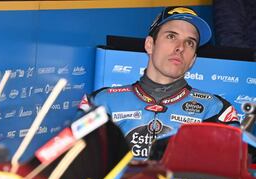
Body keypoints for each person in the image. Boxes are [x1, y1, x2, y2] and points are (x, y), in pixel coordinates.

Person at [79, 6, 240, 160]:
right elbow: (76, 168)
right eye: (171, 36)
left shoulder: (215, 111)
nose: (180, 48)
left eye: (190, 42)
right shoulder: (101, 103)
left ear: (193, 59)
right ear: (149, 44)